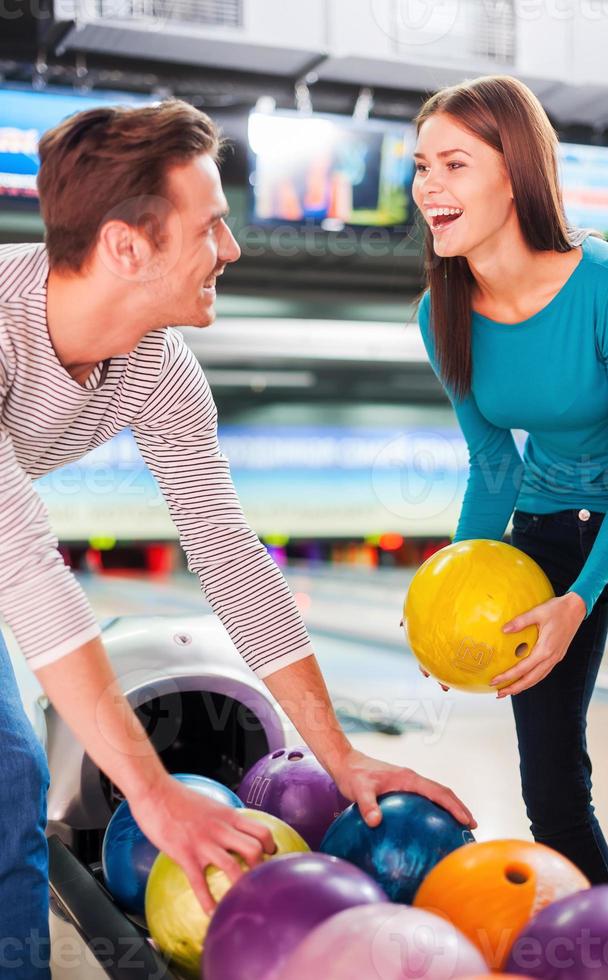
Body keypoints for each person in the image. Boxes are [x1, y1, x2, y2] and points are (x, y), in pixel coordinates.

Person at [0, 100, 475, 976]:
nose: (233, 248)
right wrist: (153, 798)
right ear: (125, 247)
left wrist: (343, 757)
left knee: (11, 785)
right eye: (213, 224)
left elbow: (227, 551)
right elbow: (24, 567)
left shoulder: (157, 367)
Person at [412, 74, 608, 892]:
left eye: (453, 164)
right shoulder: (439, 309)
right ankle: (604, 940)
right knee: (550, 794)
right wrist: (447, 598)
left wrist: (578, 601)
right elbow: (495, 467)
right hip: (544, 532)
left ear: (513, 171)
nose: (428, 187)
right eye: (420, 168)